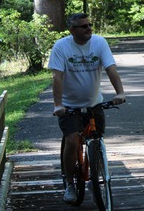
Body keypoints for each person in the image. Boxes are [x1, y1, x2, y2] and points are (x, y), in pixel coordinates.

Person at [48, 13, 126, 204]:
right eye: (83, 26)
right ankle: (69, 184)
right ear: (72, 30)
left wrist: (120, 93)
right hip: (69, 106)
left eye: (90, 24)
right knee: (72, 141)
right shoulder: (61, 47)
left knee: (96, 140)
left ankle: (95, 177)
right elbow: (57, 77)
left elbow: (111, 69)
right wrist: (58, 105)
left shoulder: (99, 43)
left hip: (94, 103)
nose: (89, 28)